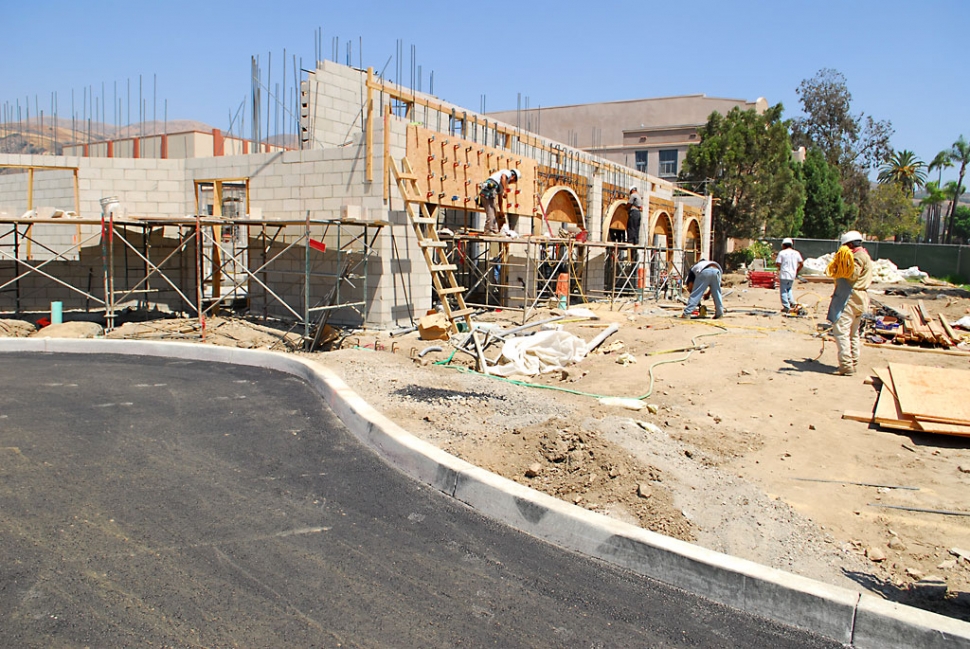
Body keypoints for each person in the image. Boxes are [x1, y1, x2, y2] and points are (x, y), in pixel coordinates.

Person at [826, 230, 873, 376]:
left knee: (841, 332)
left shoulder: (857, 257)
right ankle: (853, 362)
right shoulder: (865, 255)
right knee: (853, 334)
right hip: (859, 298)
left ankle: (846, 365)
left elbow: (852, 276)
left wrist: (842, 264)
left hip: (850, 298)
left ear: (850, 244)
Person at [479, 168, 519, 234]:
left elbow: (500, 199)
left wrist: (501, 210)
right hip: (490, 189)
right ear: (513, 177)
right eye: (513, 181)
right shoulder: (507, 173)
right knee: (491, 211)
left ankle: (494, 229)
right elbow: (503, 177)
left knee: (494, 210)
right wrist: (505, 189)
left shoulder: (501, 184)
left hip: (490, 191)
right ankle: (488, 230)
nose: (510, 183)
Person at [775, 237, 804, 313]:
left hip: (784, 274)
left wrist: (780, 268)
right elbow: (801, 263)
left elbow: (778, 263)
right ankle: (792, 302)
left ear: (784, 245)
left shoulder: (782, 253)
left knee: (783, 290)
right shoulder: (796, 253)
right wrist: (797, 270)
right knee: (789, 289)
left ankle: (786, 306)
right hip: (792, 274)